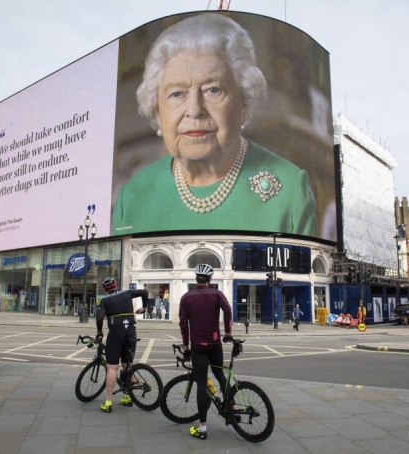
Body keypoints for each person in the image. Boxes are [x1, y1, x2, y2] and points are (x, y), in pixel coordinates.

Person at [111, 14, 318, 237]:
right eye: (177, 93)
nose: (194, 109)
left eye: (213, 90)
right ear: (158, 112)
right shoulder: (131, 197)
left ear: (243, 103)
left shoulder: (290, 190)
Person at [179, 264, 232, 440]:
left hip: (198, 346)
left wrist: (185, 346)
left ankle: (202, 428)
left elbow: (183, 324)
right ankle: (230, 406)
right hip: (215, 343)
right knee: (220, 375)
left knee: (202, 383)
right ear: (209, 279)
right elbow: (228, 310)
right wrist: (228, 332)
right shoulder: (217, 294)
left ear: (196, 278)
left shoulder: (186, 297)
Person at [95, 277, 147, 413]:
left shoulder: (105, 300)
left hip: (116, 332)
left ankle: (108, 402)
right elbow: (144, 292)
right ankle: (129, 397)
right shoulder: (127, 293)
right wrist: (144, 307)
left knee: (112, 367)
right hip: (131, 331)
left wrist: (99, 331)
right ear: (116, 285)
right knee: (126, 364)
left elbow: (99, 317)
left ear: (105, 289)